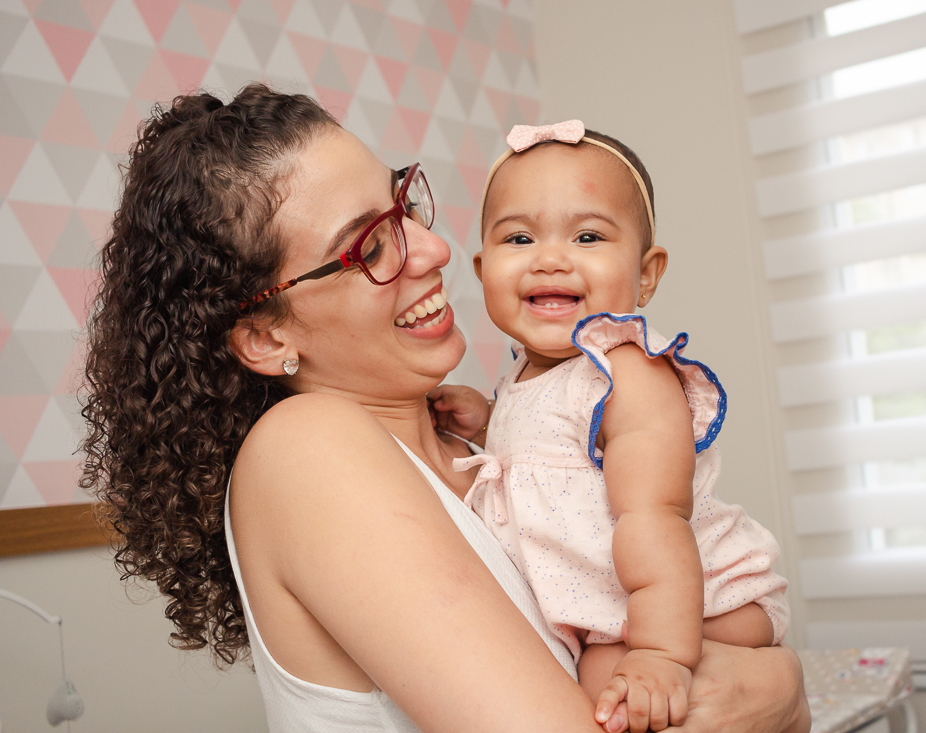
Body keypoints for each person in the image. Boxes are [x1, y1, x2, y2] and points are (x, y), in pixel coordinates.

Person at [80, 84, 810, 733]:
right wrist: (781, 692)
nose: (430, 248)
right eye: (369, 246)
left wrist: (775, 688)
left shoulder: (491, 447)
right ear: (267, 337)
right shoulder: (306, 449)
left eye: (404, 203)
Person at [428, 122, 789, 733]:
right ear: (484, 267)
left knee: (605, 695)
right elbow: (559, 464)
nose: (549, 258)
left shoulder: (629, 375)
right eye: (520, 237)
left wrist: (660, 654)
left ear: (647, 274)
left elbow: (655, 515)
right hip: (624, 612)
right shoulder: (525, 378)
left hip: (700, 603)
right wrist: (490, 423)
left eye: (588, 235)